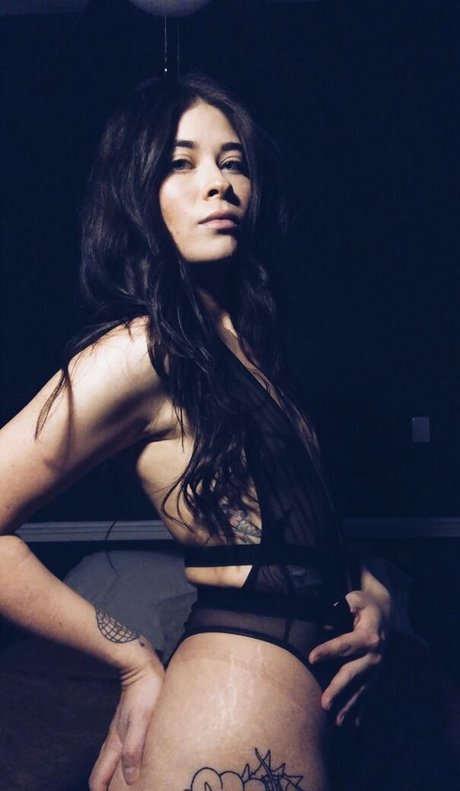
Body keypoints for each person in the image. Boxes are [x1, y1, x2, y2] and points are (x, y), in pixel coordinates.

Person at [0, 74, 390, 791]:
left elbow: (317, 544)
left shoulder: (254, 356)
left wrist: (378, 606)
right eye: (181, 163)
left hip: (298, 713)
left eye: (232, 161)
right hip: (230, 715)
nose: (218, 183)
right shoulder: (144, 350)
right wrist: (131, 660)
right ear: (137, 195)